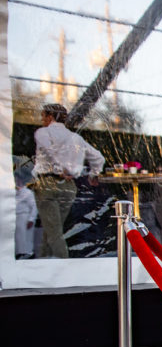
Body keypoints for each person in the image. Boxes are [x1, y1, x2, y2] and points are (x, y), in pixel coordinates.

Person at [31, 103, 104, 258]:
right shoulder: (76, 137)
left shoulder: (43, 132)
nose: (42, 119)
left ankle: (64, 265)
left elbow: (50, 152)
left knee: (54, 231)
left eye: (43, 116)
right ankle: (42, 261)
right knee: (52, 229)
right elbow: (98, 157)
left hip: (48, 183)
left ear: (50, 117)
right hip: (69, 187)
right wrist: (93, 174)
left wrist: (60, 170)